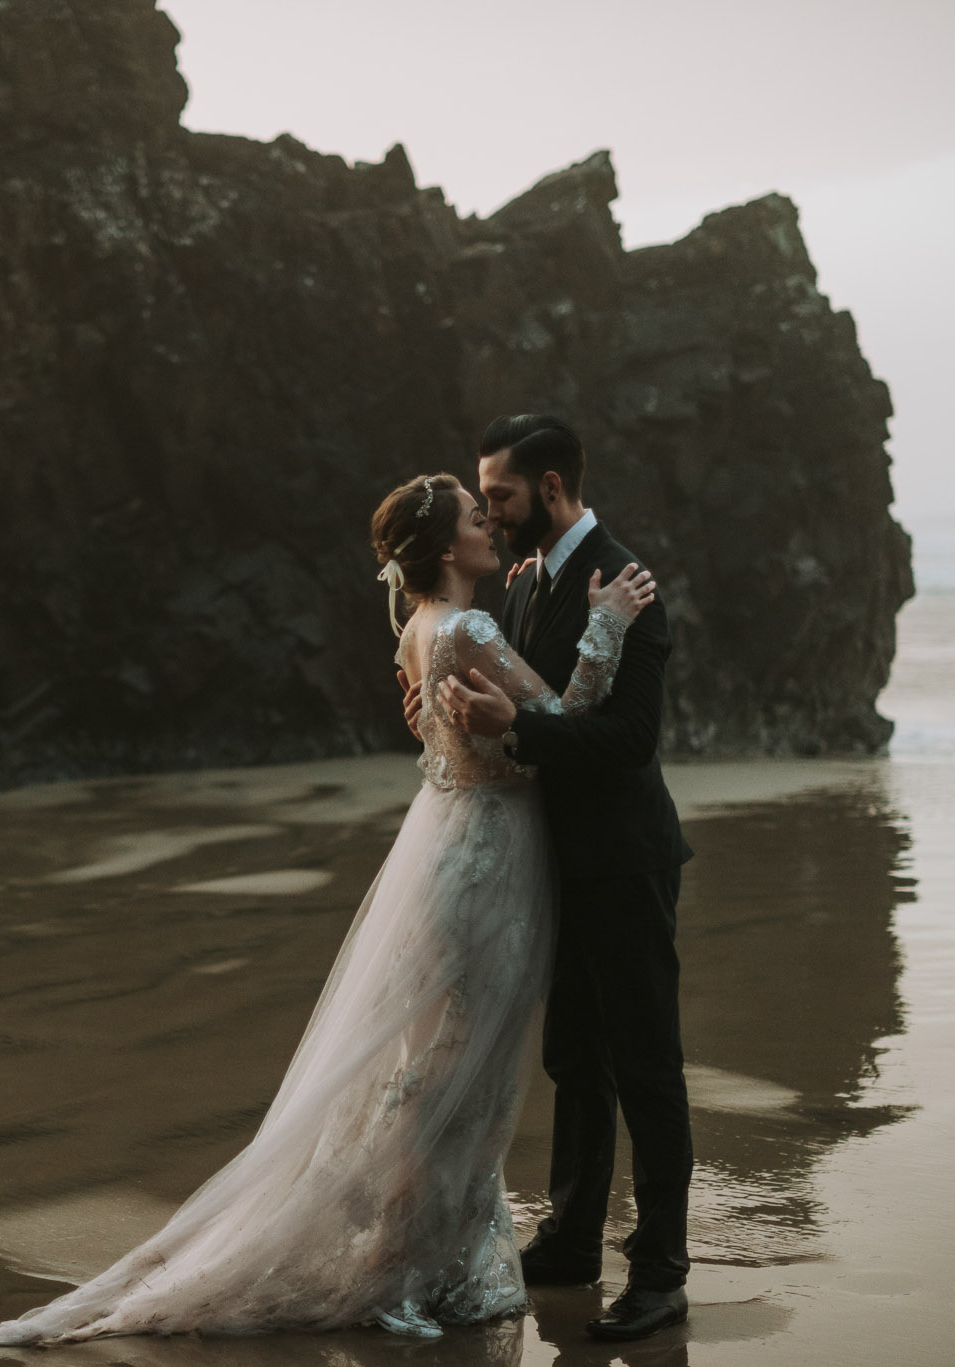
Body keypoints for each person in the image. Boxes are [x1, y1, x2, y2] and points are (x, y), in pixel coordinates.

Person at [0, 473, 655, 1346]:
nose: (493, 530)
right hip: (488, 862)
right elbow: (562, 718)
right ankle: (406, 1263)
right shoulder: (469, 625)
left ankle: (420, 1253)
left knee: (433, 1062)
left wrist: (485, 723)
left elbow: (447, 733)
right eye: (480, 519)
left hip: (444, 843)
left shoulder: (417, 630)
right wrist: (607, 625)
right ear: (446, 549)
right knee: (451, 1070)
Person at [406, 414, 695, 1342]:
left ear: (554, 489)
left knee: (646, 1065)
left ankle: (659, 1272)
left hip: (624, 860)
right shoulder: (525, 580)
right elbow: (501, 688)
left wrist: (515, 730)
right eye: (482, 501)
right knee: (576, 1058)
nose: (491, 511)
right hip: (549, 866)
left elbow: (629, 741)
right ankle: (571, 1238)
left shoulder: (627, 581)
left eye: (502, 496)